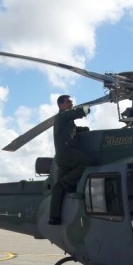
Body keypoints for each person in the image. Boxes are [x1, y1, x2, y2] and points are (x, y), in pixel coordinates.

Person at [49, 95, 96, 225]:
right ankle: (67, 183)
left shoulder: (65, 121)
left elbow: (71, 131)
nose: (71, 103)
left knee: (57, 188)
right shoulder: (62, 116)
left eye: (71, 101)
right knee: (90, 163)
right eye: (68, 102)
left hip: (62, 156)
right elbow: (81, 112)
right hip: (67, 153)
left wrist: (83, 130)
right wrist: (87, 107)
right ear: (61, 105)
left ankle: (54, 217)